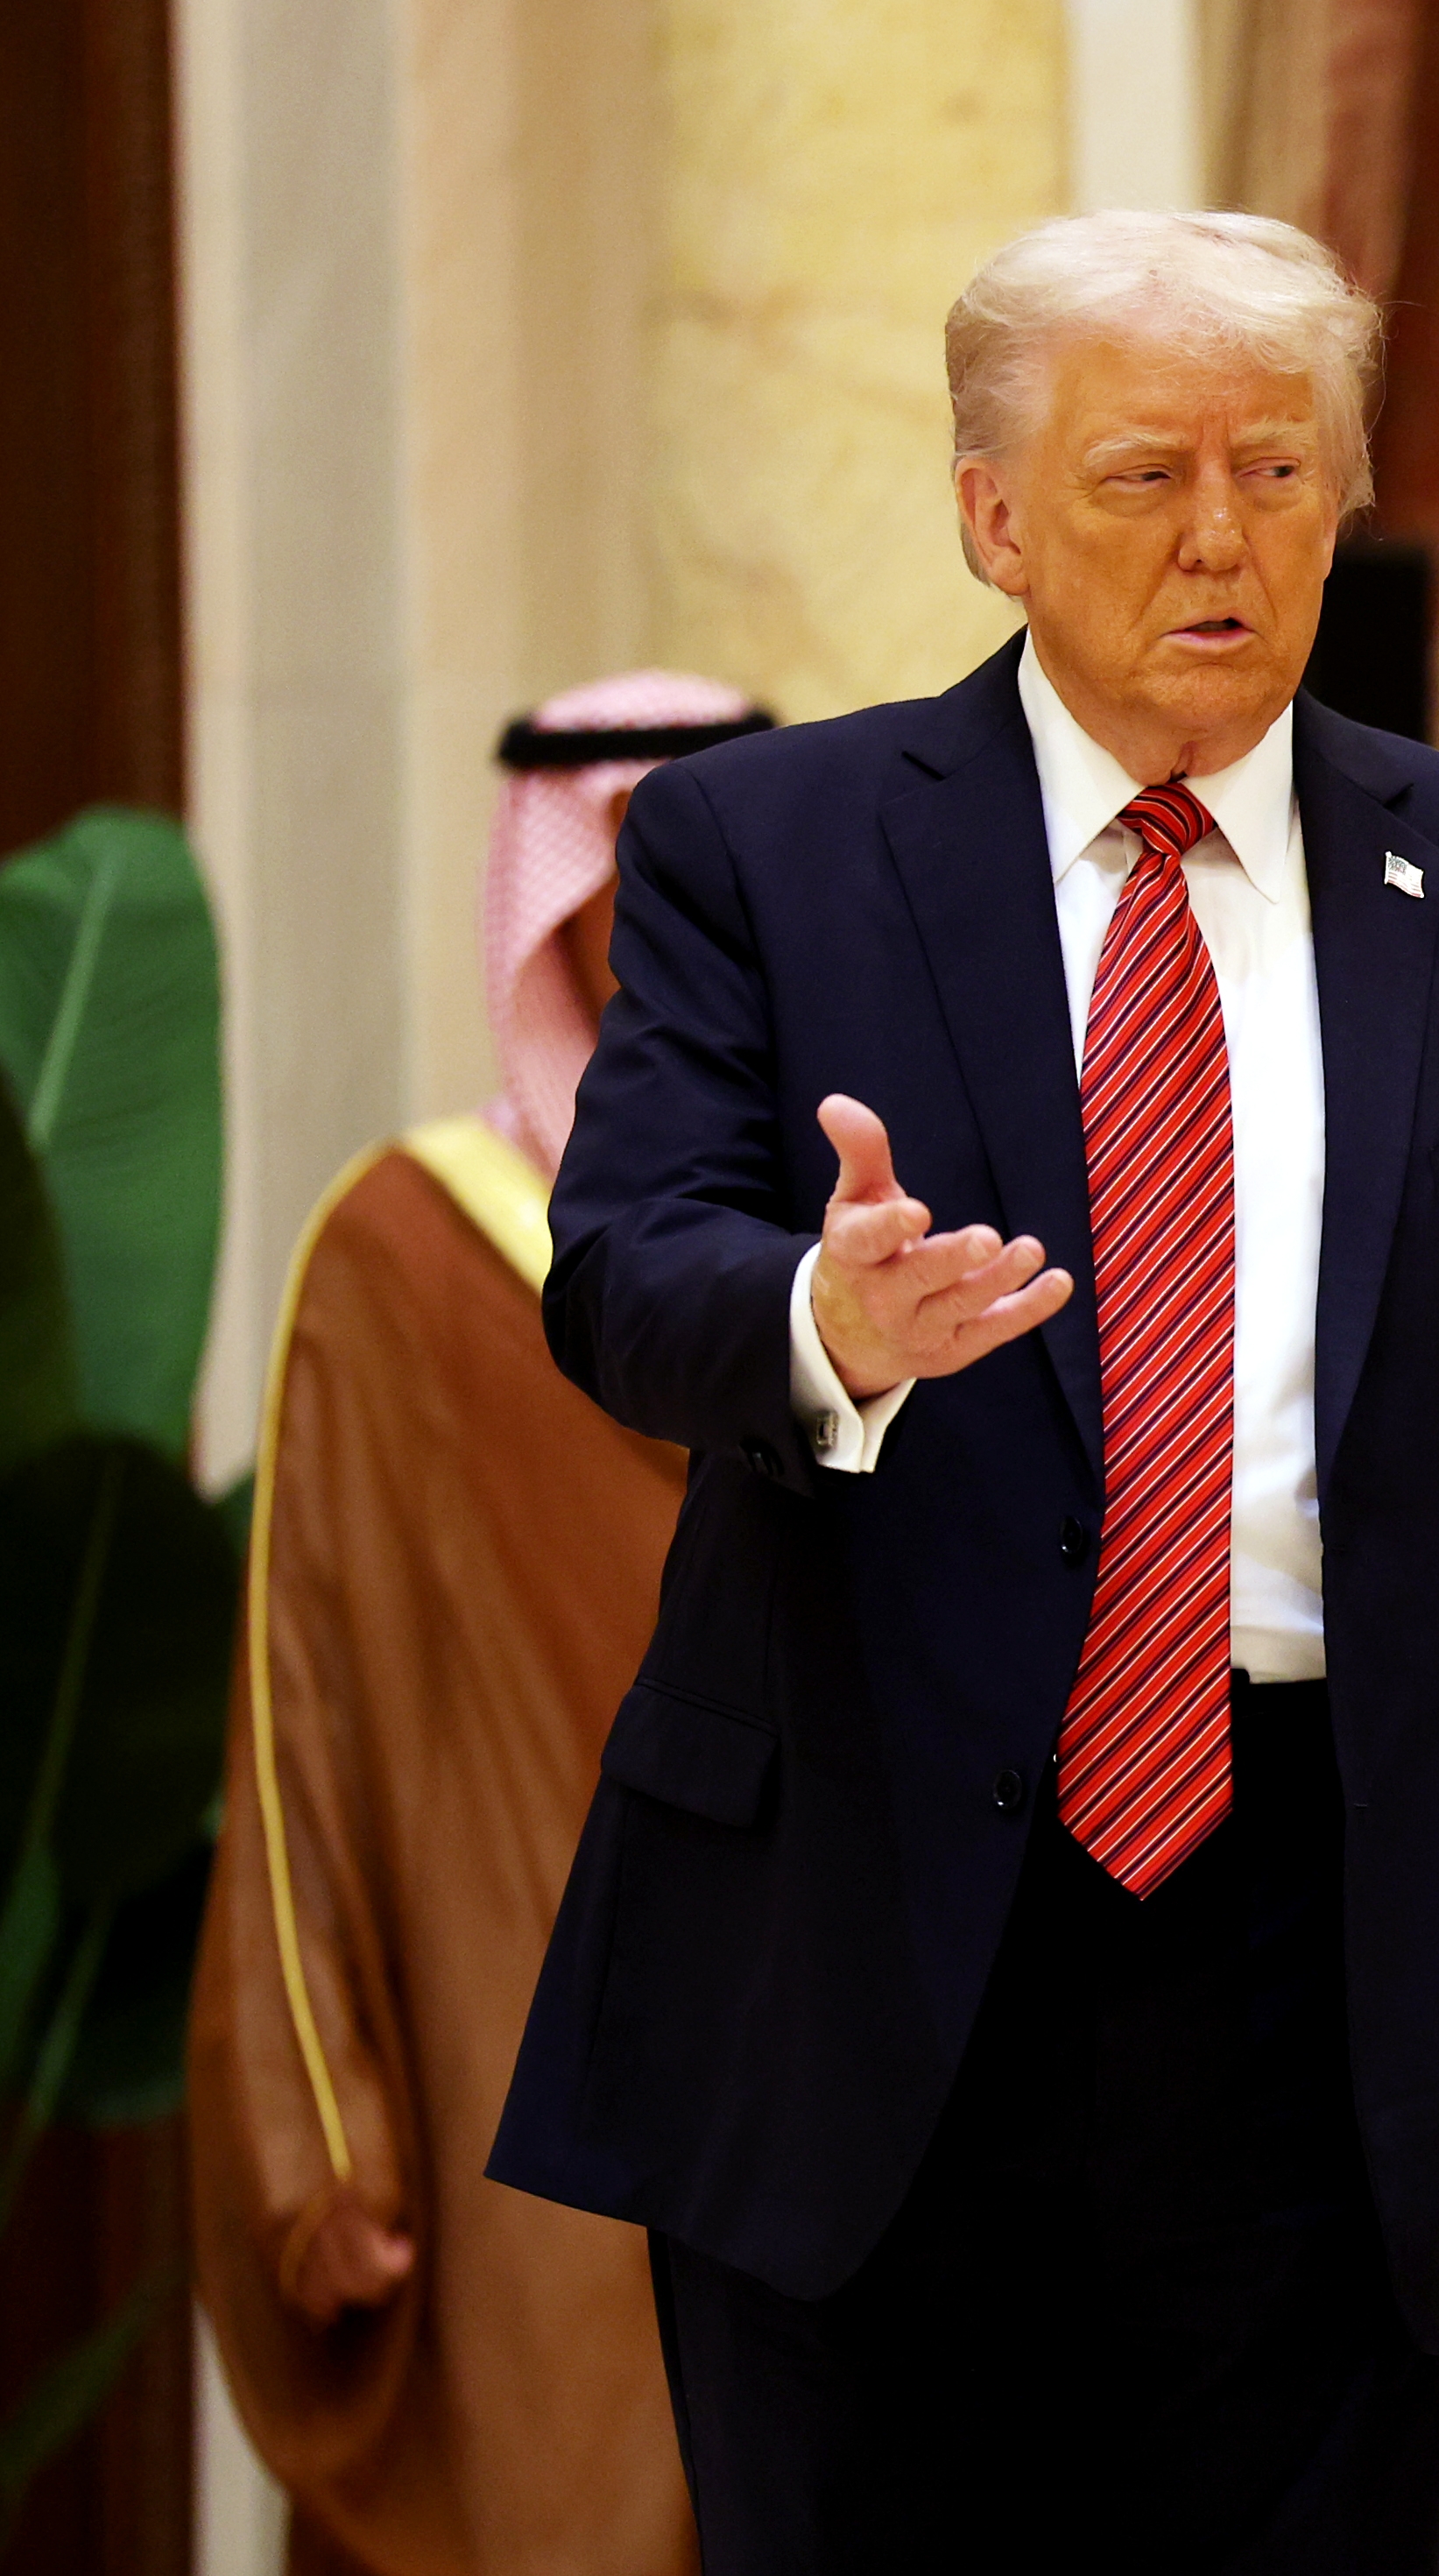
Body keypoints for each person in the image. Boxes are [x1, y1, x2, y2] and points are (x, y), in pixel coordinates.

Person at [485, 210, 1439, 2572]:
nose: (1221, 540)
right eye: (1143, 474)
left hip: (1349, 1963)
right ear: (987, 516)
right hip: (865, 1955)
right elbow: (623, 1279)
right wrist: (818, 1328)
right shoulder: (775, 851)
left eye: (1277, 472)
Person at [193, 674, 769, 2576]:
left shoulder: (894, 1257)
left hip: (851, 2108)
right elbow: (300, 1740)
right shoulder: (403, 1261)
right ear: (561, 903)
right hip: (520, 2098)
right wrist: (317, 2138)